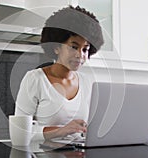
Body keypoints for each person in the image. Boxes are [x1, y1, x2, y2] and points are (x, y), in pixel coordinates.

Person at [15, 5, 104, 140]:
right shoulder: (35, 79)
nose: (80, 55)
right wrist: (61, 130)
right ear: (56, 47)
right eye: (74, 47)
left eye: (85, 49)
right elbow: (19, 131)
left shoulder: (87, 82)